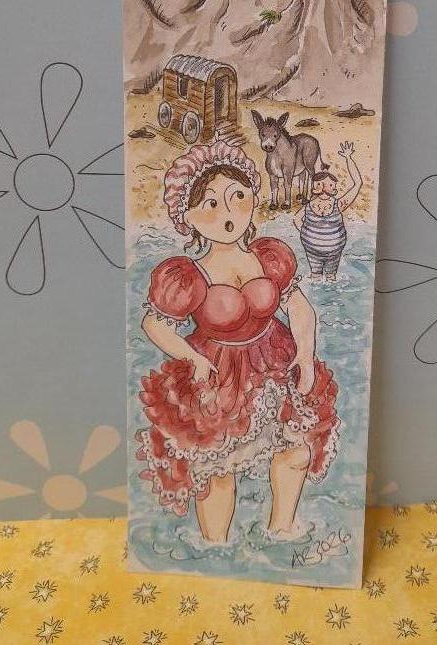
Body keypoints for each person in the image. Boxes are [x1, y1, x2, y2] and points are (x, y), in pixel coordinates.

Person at [135, 140, 340, 544]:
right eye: (211, 204)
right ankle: (215, 548)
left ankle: (283, 531)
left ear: (253, 199)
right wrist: (191, 357)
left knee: (295, 449)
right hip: (219, 375)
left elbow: (299, 306)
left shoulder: (268, 256)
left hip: (275, 362)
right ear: (187, 217)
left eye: (237, 197)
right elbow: (154, 324)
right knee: (218, 470)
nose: (227, 213)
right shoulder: (188, 275)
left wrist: (305, 352)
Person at [294, 141, 363, 281]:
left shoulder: (338, 204)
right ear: (314, 188)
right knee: (316, 277)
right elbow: (296, 219)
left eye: (329, 185)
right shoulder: (308, 207)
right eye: (320, 184)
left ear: (334, 189)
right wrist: (307, 234)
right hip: (312, 251)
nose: (324, 188)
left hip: (334, 252)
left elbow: (358, 183)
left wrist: (348, 158)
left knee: (331, 278)